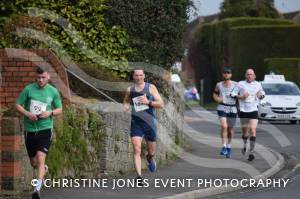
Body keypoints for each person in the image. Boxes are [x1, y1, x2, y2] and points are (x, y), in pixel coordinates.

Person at [16, 66, 62, 199]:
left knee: (41, 159)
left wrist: (50, 112)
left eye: (43, 77)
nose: (40, 80)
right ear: (35, 77)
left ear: (48, 77)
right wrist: (27, 113)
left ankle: (37, 189)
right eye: (38, 78)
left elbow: (60, 109)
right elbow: (18, 104)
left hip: (45, 129)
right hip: (30, 130)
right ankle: (44, 169)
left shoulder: (53, 92)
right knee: (34, 162)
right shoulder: (28, 89)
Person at [123, 67, 164, 184]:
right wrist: (125, 106)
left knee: (152, 151)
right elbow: (126, 101)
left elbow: (161, 104)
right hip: (136, 123)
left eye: (141, 75)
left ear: (144, 76)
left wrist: (148, 102)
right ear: (133, 76)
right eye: (136, 75)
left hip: (150, 123)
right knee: (136, 149)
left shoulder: (150, 88)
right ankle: (139, 177)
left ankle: (150, 158)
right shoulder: (130, 89)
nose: (138, 77)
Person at [231, 68, 265, 161]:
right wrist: (241, 96)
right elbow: (232, 94)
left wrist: (260, 96)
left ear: (254, 76)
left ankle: (252, 152)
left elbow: (262, 94)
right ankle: (245, 145)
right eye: (248, 74)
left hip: (254, 109)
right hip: (243, 110)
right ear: (245, 75)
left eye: (251, 74)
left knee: (253, 130)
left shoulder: (258, 84)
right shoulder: (240, 84)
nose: (249, 76)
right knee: (245, 133)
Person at [213, 67, 237, 158]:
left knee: (230, 130)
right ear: (223, 74)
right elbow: (215, 93)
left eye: (228, 73)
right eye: (225, 73)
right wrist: (217, 99)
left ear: (231, 74)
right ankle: (223, 147)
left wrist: (238, 96)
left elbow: (242, 94)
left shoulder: (236, 84)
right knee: (224, 126)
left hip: (232, 108)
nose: (226, 74)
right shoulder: (218, 84)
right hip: (222, 107)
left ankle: (229, 147)